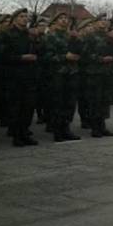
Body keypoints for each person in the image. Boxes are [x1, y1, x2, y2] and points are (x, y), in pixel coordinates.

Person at [1, 9, 39, 146]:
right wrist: (21, 57)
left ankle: (25, 133)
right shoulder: (7, 35)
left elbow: (38, 52)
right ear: (15, 19)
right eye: (21, 16)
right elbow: (2, 57)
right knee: (16, 108)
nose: (24, 19)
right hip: (15, 77)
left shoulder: (29, 35)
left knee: (28, 108)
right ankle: (16, 136)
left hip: (29, 76)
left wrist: (37, 39)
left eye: (26, 17)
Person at [40, 12, 81, 142]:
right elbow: (45, 56)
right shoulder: (50, 37)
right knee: (58, 103)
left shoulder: (70, 36)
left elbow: (80, 51)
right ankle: (57, 131)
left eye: (66, 18)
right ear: (55, 21)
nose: (64, 21)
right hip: (57, 74)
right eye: (61, 18)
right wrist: (64, 57)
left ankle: (66, 128)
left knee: (69, 103)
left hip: (72, 73)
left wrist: (77, 41)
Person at [80, 16, 113, 138]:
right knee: (95, 101)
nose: (103, 23)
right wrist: (100, 59)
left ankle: (102, 126)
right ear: (95, 23)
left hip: (107, 73)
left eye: (105, 21)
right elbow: (84, 55)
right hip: (94, 73)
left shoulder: (108, 37)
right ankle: (95, 127)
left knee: (105, 101)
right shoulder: (89, 37)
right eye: (101, 21)